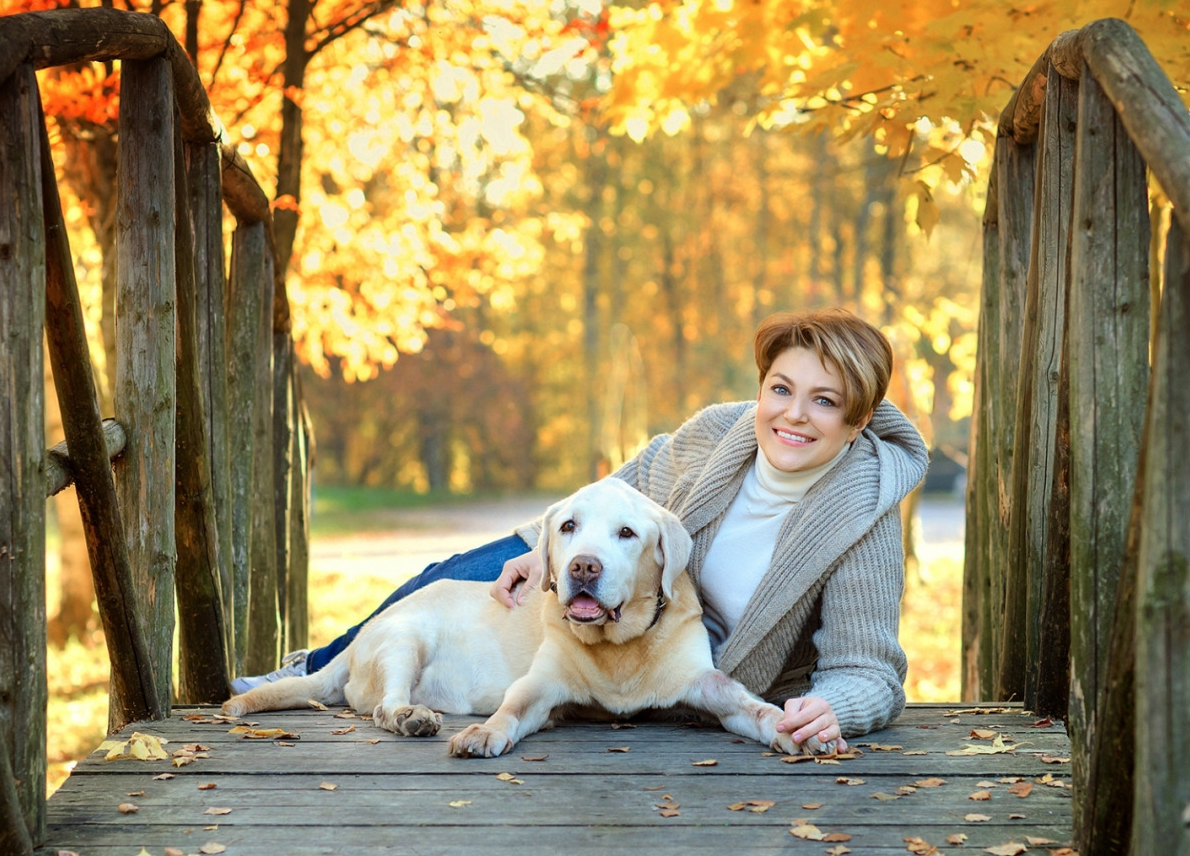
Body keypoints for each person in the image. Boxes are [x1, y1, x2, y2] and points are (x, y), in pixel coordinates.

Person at [232, 308, 929, 753]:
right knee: (452, 574)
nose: (793, 415)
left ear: (858, 420)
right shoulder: (720, 432)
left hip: (675, 650)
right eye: (781, 389)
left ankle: (315, 674)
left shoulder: (861, 515)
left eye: (824, 401)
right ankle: (311, 669)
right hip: (606, 571)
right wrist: (540, 550)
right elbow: (619, 487)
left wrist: (831, 709)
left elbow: (869, 671)